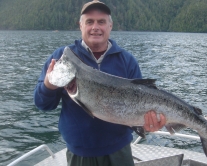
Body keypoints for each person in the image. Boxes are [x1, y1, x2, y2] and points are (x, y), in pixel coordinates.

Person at [34, 0, 166, 165]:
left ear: (110, 26)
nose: (95, 27)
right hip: (79, 153)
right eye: (89, 22)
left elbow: (141, 104)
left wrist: (149, 124)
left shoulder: (127, 61)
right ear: (80, 26)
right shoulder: (63, 58)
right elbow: (42, 104)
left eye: (101, 22)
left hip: (119, 152)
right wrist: (48, 85)